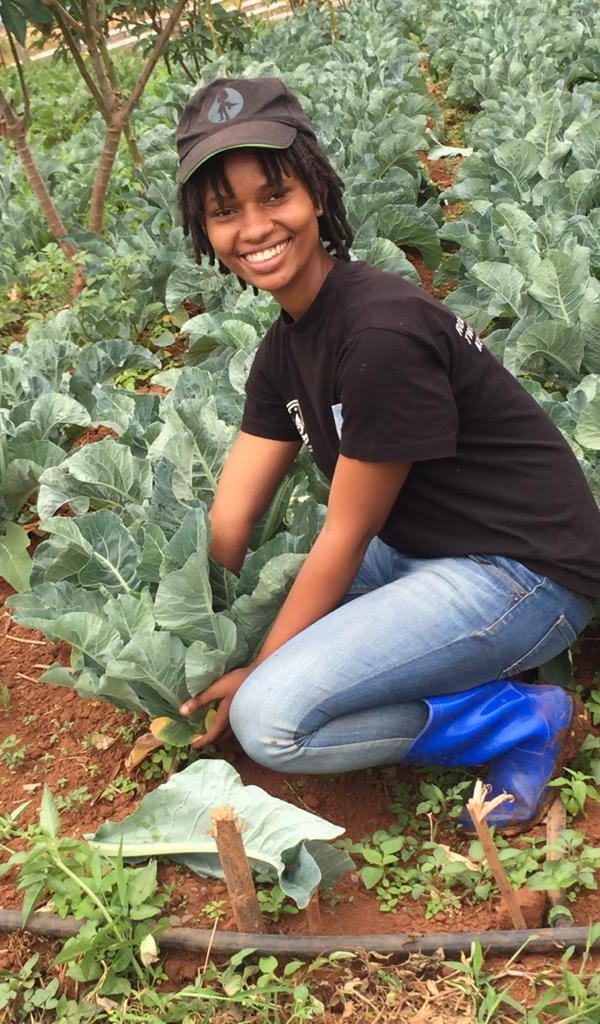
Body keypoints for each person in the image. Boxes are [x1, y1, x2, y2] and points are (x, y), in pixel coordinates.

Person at [174, 76, 600, 834]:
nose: (255, 226)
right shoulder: (285, 344)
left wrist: (250, 682)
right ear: (203, 232)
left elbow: (344, 535)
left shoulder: (379, 334)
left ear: (317, 194)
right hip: (417, 549)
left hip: (521, 570)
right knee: (263, 610)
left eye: (275, 195)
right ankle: (446, 671)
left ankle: (516, 718)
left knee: (272, 719)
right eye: (224, 210)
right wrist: (185, 639)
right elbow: (230, 520)